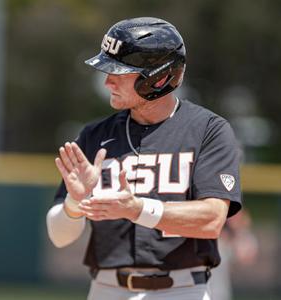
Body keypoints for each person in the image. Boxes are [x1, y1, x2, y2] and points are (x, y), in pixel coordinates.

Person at [46, 17, 242, 299]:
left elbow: (211, 219)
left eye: (119, 71)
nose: (108, 81)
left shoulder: (208, 131)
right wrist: (75, 201)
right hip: (106, 289)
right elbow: (59, 236)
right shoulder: (94, 135)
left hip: (182, 290)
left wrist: (137, 209)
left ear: (159, 77)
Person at [207, 210, 258, 300]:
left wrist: (238, 230)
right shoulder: (211, 234)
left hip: (219, 292)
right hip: (200, 290)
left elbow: (247, 257)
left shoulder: (234, 238)